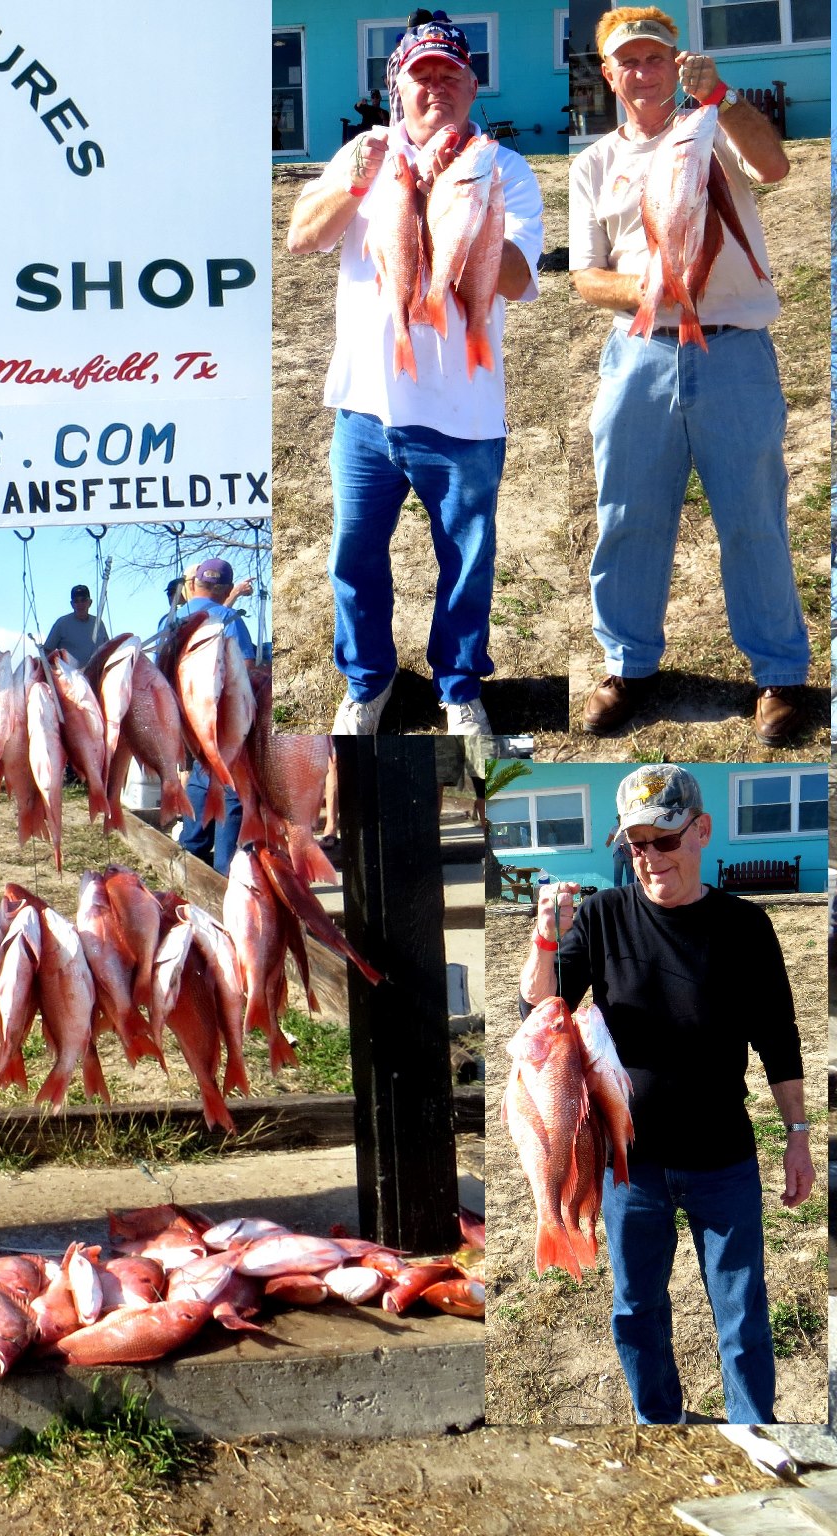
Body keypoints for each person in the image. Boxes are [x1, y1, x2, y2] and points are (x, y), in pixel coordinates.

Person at [521, 764, 808, 1425]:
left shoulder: (745, 927)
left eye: (665, 840)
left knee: (741, 1310)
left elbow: (780, 1041)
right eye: (636, 844)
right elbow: (537, 1008)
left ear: (701, 831)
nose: (650, 859)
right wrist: (543, 941)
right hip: (629, 1163)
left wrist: (797, 1138)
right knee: (636, 1307)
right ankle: (659, 1423)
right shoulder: (600, 918)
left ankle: (753, 1428)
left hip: (723, 1159)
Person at [285, 9, 543, 738]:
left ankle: (459, 687)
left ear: (472, 85)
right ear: (395, 87)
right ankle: (367, 683)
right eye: (419, 76)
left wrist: (477, 213)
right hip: (365, 410)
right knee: (354, 556)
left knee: (467, 560)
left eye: (449, 76)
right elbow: (303, 237)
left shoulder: (503, 167)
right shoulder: (365, 154)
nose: (435, 88)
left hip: (464, 416)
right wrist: (356, 184)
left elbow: (519, 279)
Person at [571, 10, 807, 746]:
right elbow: (585, 276)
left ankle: (779, 675)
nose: (643, 73)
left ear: (678, 65)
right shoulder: (592, 164)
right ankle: (629, 664)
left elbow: (773, 167)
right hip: (638, 354)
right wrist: (651, 290)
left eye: (655, 59)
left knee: (752, 518)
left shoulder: (711, 128)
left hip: (733, 352)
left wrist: (727, 100)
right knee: (628, 515)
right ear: (609, 75)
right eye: (628, 63)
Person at [173, 560, 258, 875]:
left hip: (189, 728)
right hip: (224, 728)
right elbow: (245, 667)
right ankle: (227, 876)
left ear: (193, 585)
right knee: (229, 790)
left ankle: (186, 885)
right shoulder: (229, 618)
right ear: (225, 589)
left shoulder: (171, 620)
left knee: (200, 778)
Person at [41, 585, 109, 668]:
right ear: (72, 604)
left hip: (96, 677)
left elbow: (108, 649)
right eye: (76, 601)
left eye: (83, 600)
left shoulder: (99, 623)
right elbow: (47, 651)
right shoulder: (62, 623)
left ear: (90, 602)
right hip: (70, 677)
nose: (80, 604)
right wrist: (54, 669)